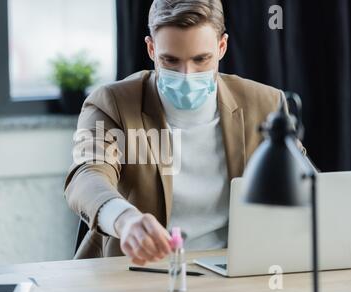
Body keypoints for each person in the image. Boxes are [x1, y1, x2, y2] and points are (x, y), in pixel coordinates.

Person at [64, 0, 306, 266]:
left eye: (201, 59)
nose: (187, 75)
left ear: (221, 47)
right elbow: (87, 173)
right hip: (139, 273)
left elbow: (305, 184)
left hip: (232, 271)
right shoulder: (113, 103)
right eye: (170, 60)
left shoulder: (266, 104)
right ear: (152, 48)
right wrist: (124, 219)